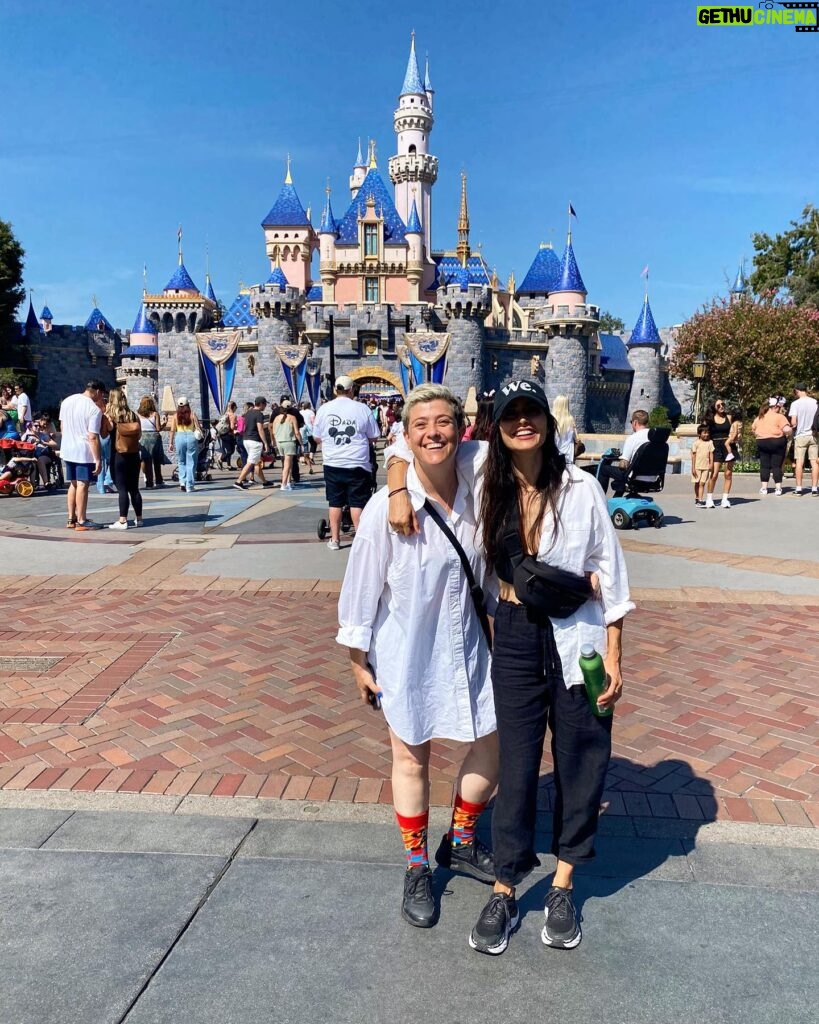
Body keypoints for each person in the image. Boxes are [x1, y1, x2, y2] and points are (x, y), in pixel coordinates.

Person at [387, 378, 633, 955]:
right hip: (517, 637)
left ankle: (566, 883)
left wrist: (616, 657)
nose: (522, 423)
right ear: (494, 425)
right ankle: (505, 884)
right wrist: (398, 489)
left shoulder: (582, 488)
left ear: (548, 420)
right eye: (510, 414)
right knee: (517, 764)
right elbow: (414, 444)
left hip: (581, 640)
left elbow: (613, 577)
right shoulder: (482, 474)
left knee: (580, 760)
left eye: (532, 413)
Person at [338, 384, 498, 929]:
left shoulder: (480, 480)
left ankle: (461, 838)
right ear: (405, 436)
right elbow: (360, 590)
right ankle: (415, 865)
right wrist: (358, 660)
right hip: (405, 650)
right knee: (413, 757)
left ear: (462, 428)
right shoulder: (389, 506)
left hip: (470, 643)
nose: (434, 432)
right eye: (421, 424)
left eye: (444, 422)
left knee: (491, 743)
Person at [313, 375, 380, 550]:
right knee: (357, 502)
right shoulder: (362, 409)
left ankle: (335, 540)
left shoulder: (324, 409)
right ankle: (360, 539)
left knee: (335, 502)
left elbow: (317, 437)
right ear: (351, 390)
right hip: (357, 462)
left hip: (333, 462)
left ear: (335, 389)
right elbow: (374, 436)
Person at [59, 380, 105, 530]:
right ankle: (82, 520)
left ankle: (71, 518)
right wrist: (97, 459)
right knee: (82, 484)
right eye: (102, 394)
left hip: (68, 448)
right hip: (83, 450)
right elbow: (93, 436)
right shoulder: (93, 409)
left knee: (73, 483)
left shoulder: (67, 401)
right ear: (97, 391)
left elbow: (62, 425)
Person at [106, 388, 143, 529]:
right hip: (134, 454)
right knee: (134, 488)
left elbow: (105, 433)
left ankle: (123, 521)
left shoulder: (111, 417)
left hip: (118, 455)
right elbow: (139, 435)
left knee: (122, 489)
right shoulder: (134, 415)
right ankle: (139, 519)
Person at [596, 409, 651, 496]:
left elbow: (623, 465)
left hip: (635, 477)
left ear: (635, 422)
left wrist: (620, 459)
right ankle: (617, 498)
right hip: (653, 478)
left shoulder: (633, 438)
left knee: (604, 469)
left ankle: (600, 498)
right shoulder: (655, 438)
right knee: (623, 477)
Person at [752, 400, 791, 496]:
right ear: (776, 407)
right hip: (776, 442)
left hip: (762, 442)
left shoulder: (759, 417)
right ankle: (778, 488)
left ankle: (764, 488)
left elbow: (753, 429)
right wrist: (790, 431)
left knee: (764, 465)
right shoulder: (779, 417)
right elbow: (786, 430)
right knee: (776, 465)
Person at [234, 396, 271, 489]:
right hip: (255, 441)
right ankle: (239, 481)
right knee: (250, 462)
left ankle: (265, 482)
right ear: (261, 404)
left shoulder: (248, 413)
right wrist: (265, 443)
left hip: (246, 439)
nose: (265, 406)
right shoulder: (259, 414)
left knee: (257, 462)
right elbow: (260, 429)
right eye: (265, 404)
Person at [788, 383, 818, 496]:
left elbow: (794, 422)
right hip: (814, 435)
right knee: (814, 462)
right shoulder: (815, 402)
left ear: (797, 391)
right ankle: (814, 488)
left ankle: (799, 488)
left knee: (799, 462)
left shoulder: (795, 404)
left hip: (801, 435)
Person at [169, 397, 203, 493]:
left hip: (179, 436)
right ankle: (189, 485)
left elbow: (172, 430)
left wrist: (170, 443)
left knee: (181, 461)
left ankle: (182, 482)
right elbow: (198, 427)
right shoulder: (192, 414)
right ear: (188, 405)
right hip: (191, 436)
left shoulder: (175, 416)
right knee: (191, 462)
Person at [704, 399, 733, 508]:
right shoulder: (709, 420)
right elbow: (704, 433)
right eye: (718, 405)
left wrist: (735, 438)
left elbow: (735, 431)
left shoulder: (729, 418)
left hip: (728, 446)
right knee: (714, 474)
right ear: (714, 407)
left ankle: (725, 499)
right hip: (715, 446)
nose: (721, 406)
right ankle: (709, 498)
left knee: (728, 474)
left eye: (723, 404)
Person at [137, 396, 165, 488]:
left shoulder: (138, 415)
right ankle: (159, 480)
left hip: (143, 437)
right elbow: (158, 428)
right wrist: (164, 424)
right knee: (156, 460)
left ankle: (149, 482)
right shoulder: (155, 414)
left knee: (146, 460)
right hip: (154, 437)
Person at [271, 403, 300, 491]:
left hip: (280, 442)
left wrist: (274, 441)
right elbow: (297, 432)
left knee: (287, 463)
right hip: (289, 441)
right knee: (287, 464)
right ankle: (283, 484)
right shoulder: (292, 417)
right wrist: (301, 443)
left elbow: (273, 431)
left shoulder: (276, 418)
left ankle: (288, 482)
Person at [690, 424, 714, 506]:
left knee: (702, 483)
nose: (706, 434)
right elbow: (693, 456)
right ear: (699, 434)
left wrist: (711, 464)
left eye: (707, 432)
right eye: (704, 432)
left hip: (706, 467)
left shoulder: (710, 443)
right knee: (697, 483)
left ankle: (700, 500)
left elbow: (711, 454)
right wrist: (693, 468)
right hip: (697, 467)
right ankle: (697, 497)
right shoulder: (696, 443)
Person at [552, 395, 578, 465]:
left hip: (554, 455)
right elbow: (576, 438)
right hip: (569, 455)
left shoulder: (552, 420)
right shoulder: (571, 420)